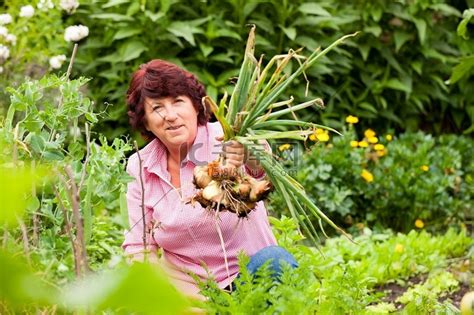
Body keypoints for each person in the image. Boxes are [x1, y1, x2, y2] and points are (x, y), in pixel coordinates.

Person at [122, 59, 297, 299]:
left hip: (250, 284)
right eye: (157, 108)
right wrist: (167, 300)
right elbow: (139, 247)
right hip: (187, 298)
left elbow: (261, 173)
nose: (170, 115)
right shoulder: (141, 167)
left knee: (276, 261)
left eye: (178, 102)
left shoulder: (228, 139)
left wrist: (250, 155)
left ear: (196, 107)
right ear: (146, 121)